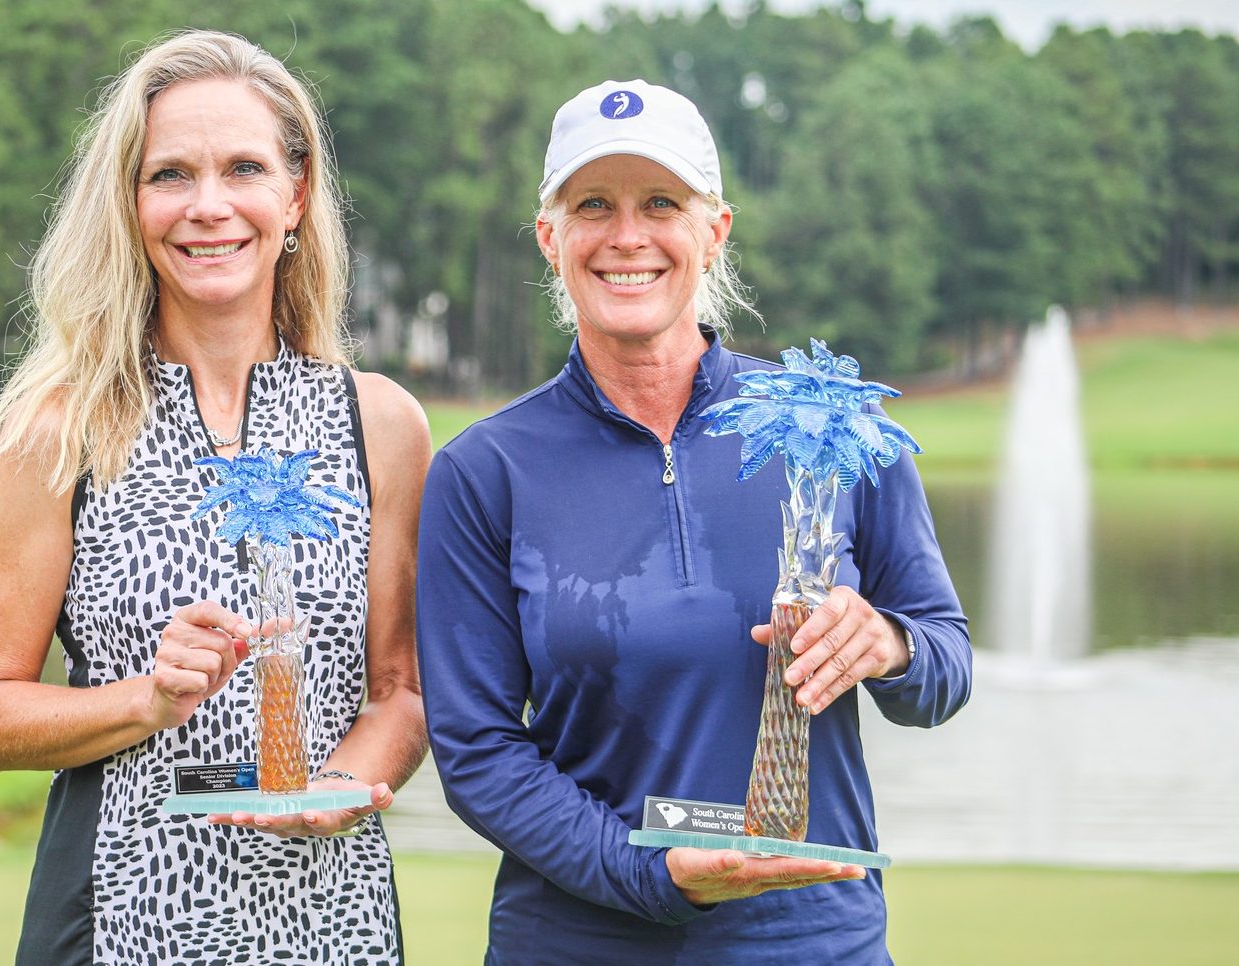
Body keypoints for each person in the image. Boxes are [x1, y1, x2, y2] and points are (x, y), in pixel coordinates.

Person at [415, 79, 971, 963]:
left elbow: (946, 663)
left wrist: (892, 645)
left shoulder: (833, 427)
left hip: (811, 940)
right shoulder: (483, 471)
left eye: (661, 204)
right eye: (593, 205)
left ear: (715, 232)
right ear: (551, 238)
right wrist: (650, 875)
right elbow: (478, 751)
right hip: (576, 943)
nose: (627, 236)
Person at [0, 30, 431, 965]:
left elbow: (401, 692)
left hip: (331, 920)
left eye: (243, 168)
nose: (207, 206)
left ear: (295, 195)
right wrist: (145, 700)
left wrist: (338, 785)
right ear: (131, 203)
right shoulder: (61, 430)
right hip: (113, 916)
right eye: (170, 175)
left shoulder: (381, 424)